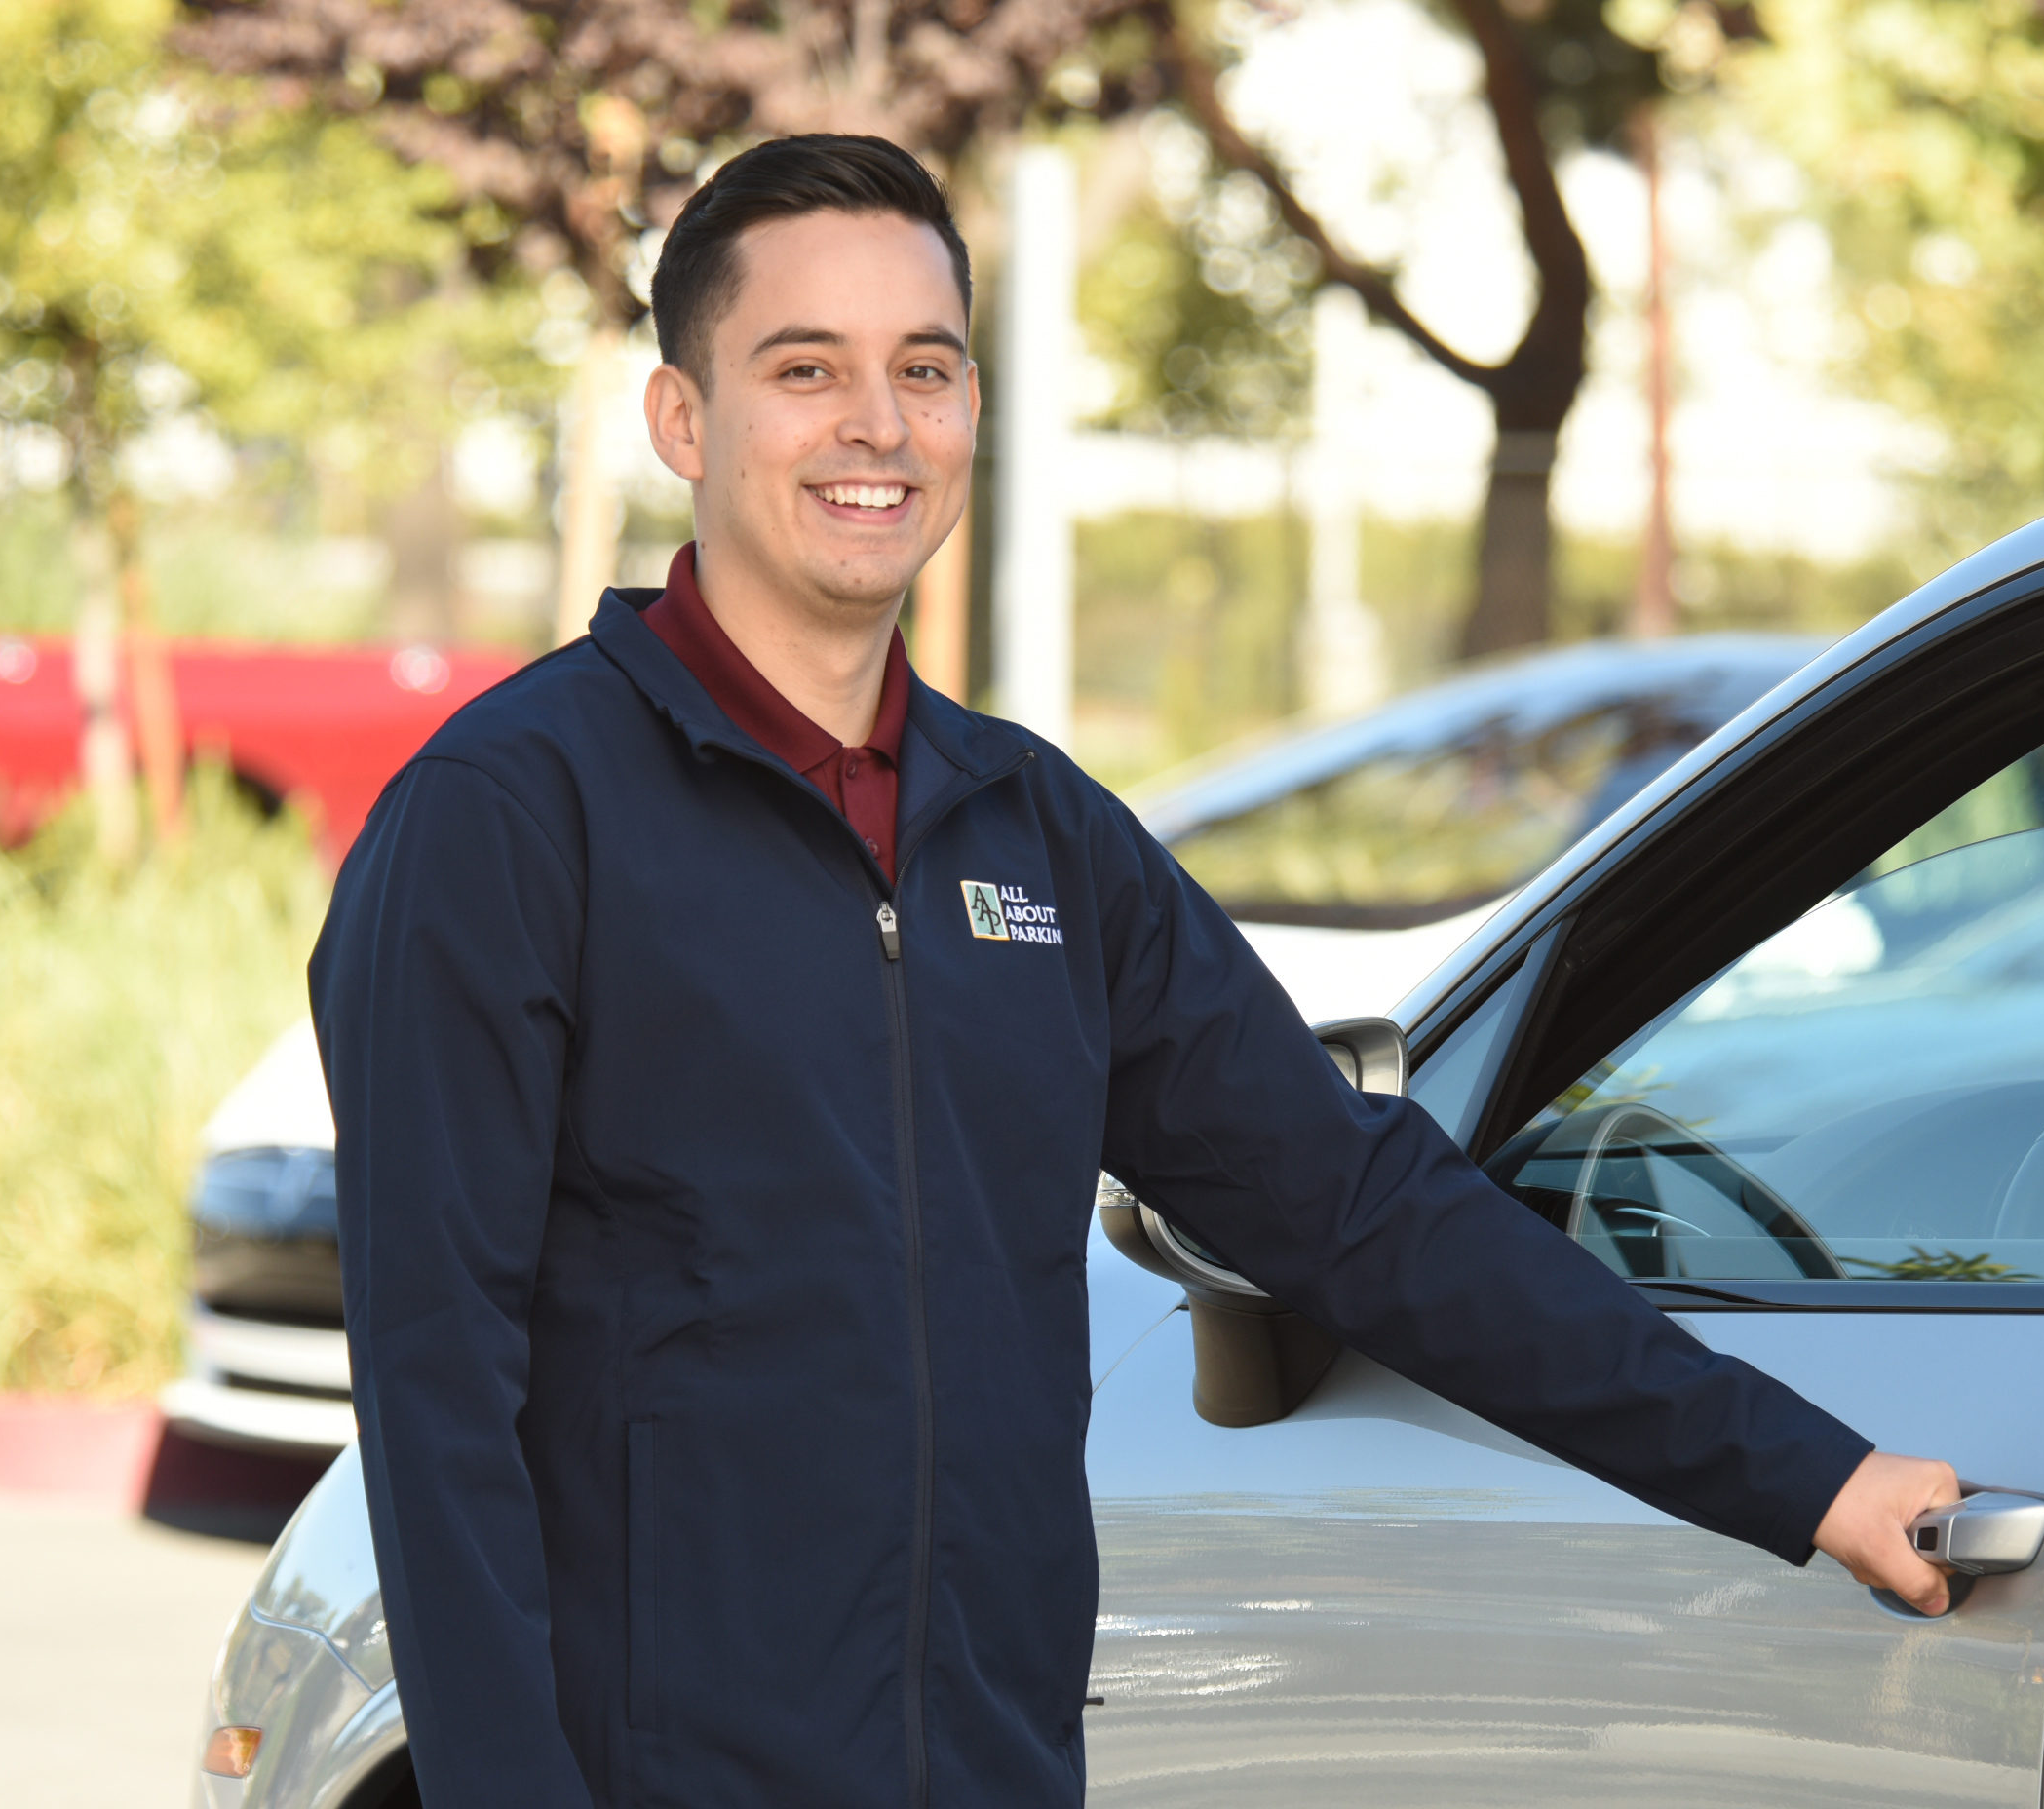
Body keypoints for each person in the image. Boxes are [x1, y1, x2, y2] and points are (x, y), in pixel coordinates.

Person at [308, 134, 1961, 1809]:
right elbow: (440, 1394)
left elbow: (1361, 1211)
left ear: (970, 409)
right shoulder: (510, 820)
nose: (877, 424)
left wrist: (1808, 1478)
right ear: (683, 417)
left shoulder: (1035, 835)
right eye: (805, 370)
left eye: (924, 369)